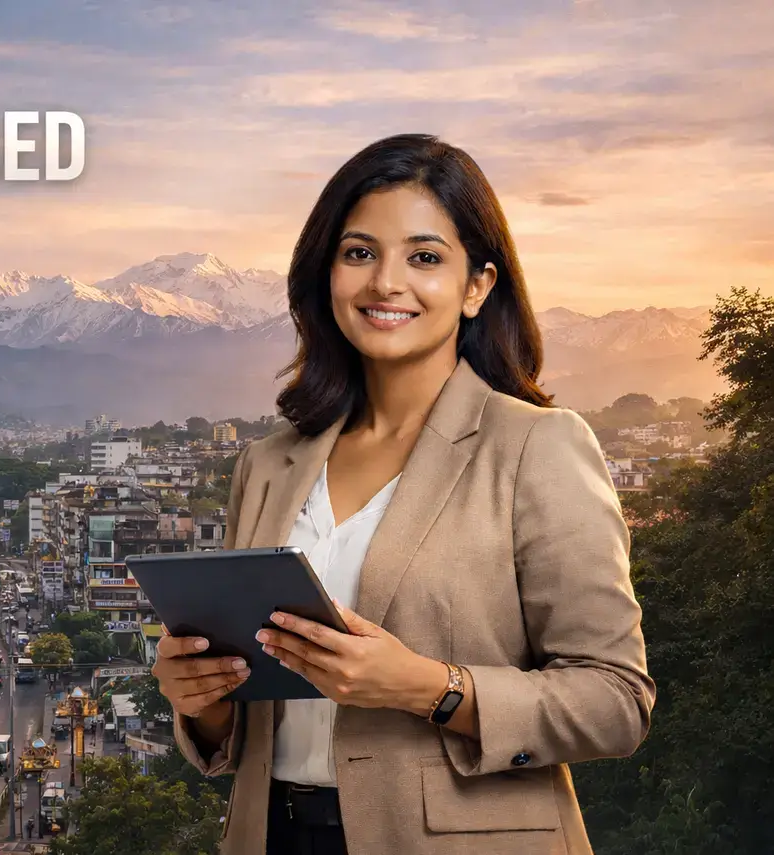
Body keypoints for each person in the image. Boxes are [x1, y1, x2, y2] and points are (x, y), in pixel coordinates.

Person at [152, 134, 655, 855]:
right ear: (327, 274)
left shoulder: (536, 447)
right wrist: (199, 699)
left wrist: (425, 687)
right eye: (359, 252)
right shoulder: (267, 463)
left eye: (424, 257)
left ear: (477, 285)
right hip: (273, 834)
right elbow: (243, 721)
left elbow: (616, 701)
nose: (386, 282)